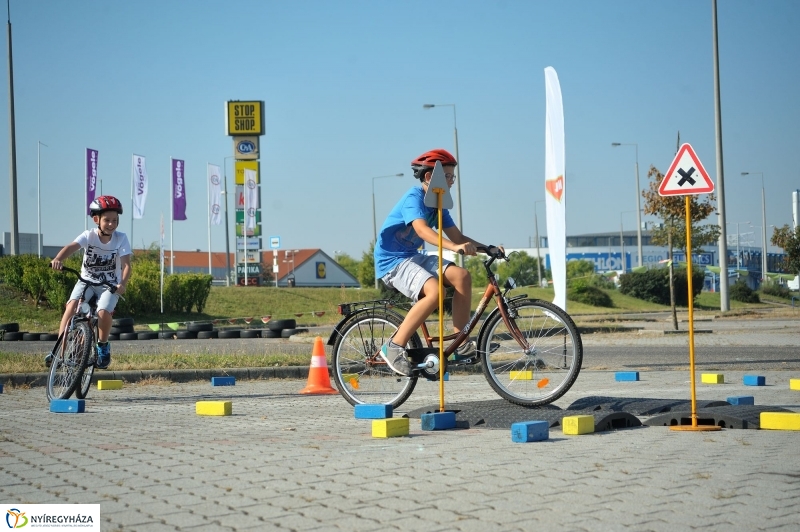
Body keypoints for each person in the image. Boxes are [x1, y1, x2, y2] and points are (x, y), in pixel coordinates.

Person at [374, 148, 503, 376]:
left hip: (412, 256)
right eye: (449, 176)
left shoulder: (439, 204)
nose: (452, 182)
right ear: (429, 177)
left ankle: (460, 343)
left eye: (453, 177)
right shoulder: (414, 198)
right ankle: (393, 346)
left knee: (462, 276)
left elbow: (458, 237)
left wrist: (487, 248)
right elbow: (422, 230)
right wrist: (454, 248)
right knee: (435, 293)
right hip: (392, 261)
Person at [46, 195, 132, 369]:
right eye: (107, 220)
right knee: (71, 307)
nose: (111, 224)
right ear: (96, 220)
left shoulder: (121, 238)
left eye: (115, 220)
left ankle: (102, 346)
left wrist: (122, 283)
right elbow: (71, 247)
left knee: (103, 312)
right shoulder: (89, 235)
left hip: (109, 285)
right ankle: (59, 351)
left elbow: (126, 265)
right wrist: (58, 258)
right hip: (86, 281)